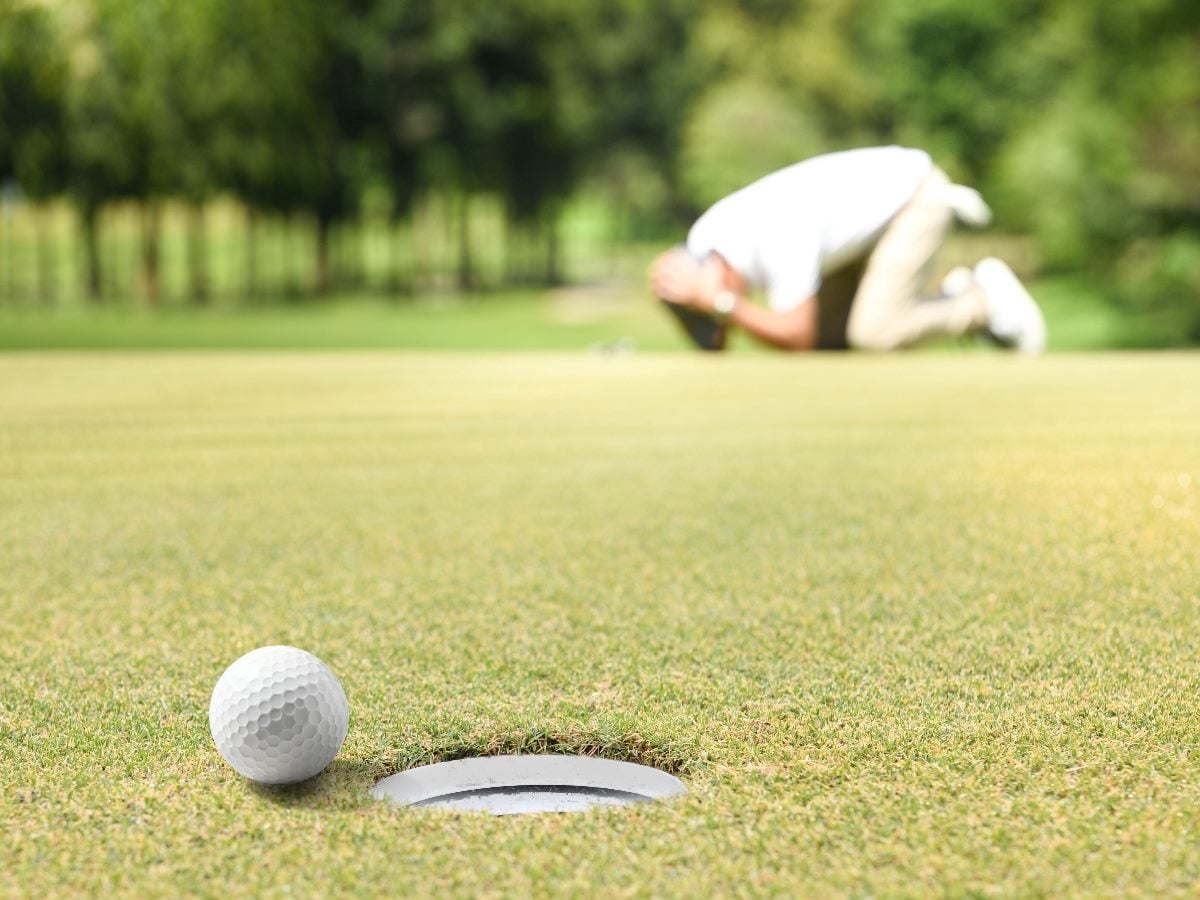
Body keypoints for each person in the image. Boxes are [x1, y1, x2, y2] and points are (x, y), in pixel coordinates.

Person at [649, 146, 1046, 354]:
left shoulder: (771, 232)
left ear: (715, 275)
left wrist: (720, 303)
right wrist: (706, 302)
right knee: (831, 339)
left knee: (872, 334)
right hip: (856, 241)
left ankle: (980, 302)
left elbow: (796, 338)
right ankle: (953, 294)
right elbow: (717, 346)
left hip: (915, 197)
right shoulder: (705, 242)